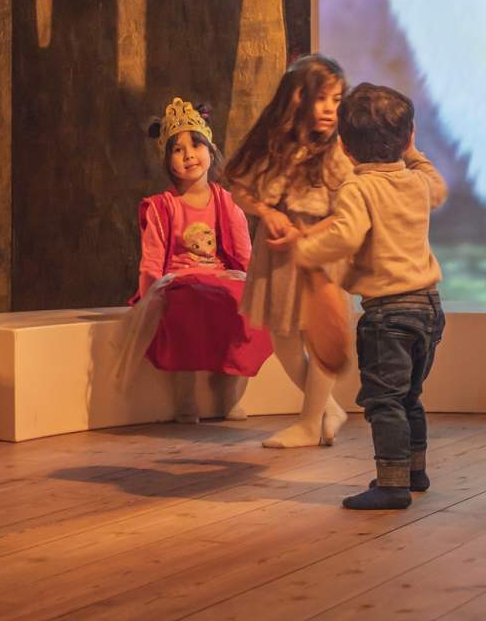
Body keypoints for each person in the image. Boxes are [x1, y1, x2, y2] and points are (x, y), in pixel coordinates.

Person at [270, 83, 446, 510]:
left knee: (385, 402)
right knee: (409, 398)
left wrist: (305, 251)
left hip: (387, 314)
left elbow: (346, 236)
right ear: (408, 137)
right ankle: (413, 470)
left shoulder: (358, 188)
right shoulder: (418, 182)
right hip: (429, 308)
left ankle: (391, 484)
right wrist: (414, 152)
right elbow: (437, 185)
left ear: (345, 148)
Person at [224, 55, 355, 448]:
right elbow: (240, 189)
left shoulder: (335, 151)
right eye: (322, 99)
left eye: (336, 99)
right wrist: (266, 212)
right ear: (297, 98)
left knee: (317, 335)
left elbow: (349, 210)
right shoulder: (271, 144)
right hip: (277, 252)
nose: (331, 109)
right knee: (282, 339)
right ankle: (327, 408)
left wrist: (304, 233)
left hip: (318, 251)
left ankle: (309, 421)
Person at [128, 97, 273, 423]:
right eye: (177, 150)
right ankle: (186, 394)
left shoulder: (227, 201)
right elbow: (152, 257)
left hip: (221, 277)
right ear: (167, 160)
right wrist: (147, 292)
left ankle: (228, 390)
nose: (189, 155)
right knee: (187, 305)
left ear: (211, 149)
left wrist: (258, 286)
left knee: (241, 303)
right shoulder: (162, 206)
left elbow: (243, 253)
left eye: (196, 145)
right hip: (180, 280)